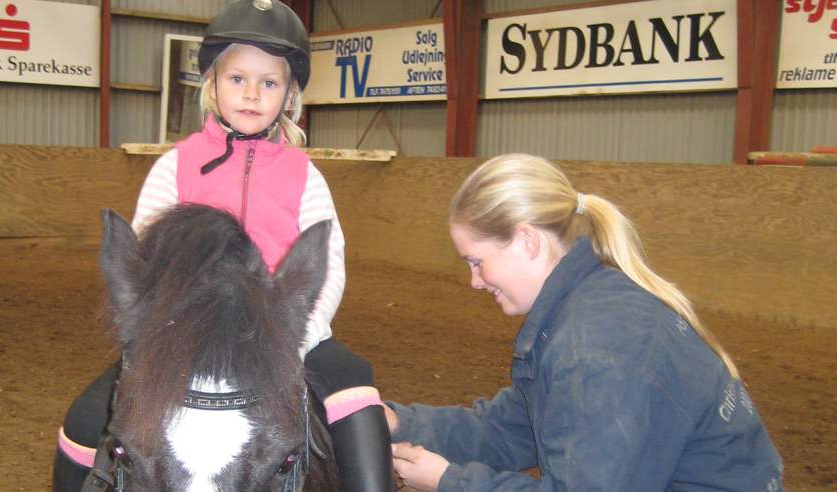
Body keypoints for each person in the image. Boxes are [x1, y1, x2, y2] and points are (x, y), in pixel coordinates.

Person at [52, 2, 394, 491]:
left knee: (356, 392)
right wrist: (159, 337)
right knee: (85, 420)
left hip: (281, 332)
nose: (252, 94)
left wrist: (292, 336)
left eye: (269, 83)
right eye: (237, 79)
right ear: (212, 84)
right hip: (181, 339)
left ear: (290, 93)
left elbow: (328, 265)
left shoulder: (305, 176)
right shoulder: (175, 165)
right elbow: (147, 263)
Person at [384, 154, 785, 491]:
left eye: (477, 261)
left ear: (528, 241)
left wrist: (449, 481)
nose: (474, 280)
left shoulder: (594, 348)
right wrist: (401, 422)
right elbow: (510, 428)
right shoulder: (584, 306)